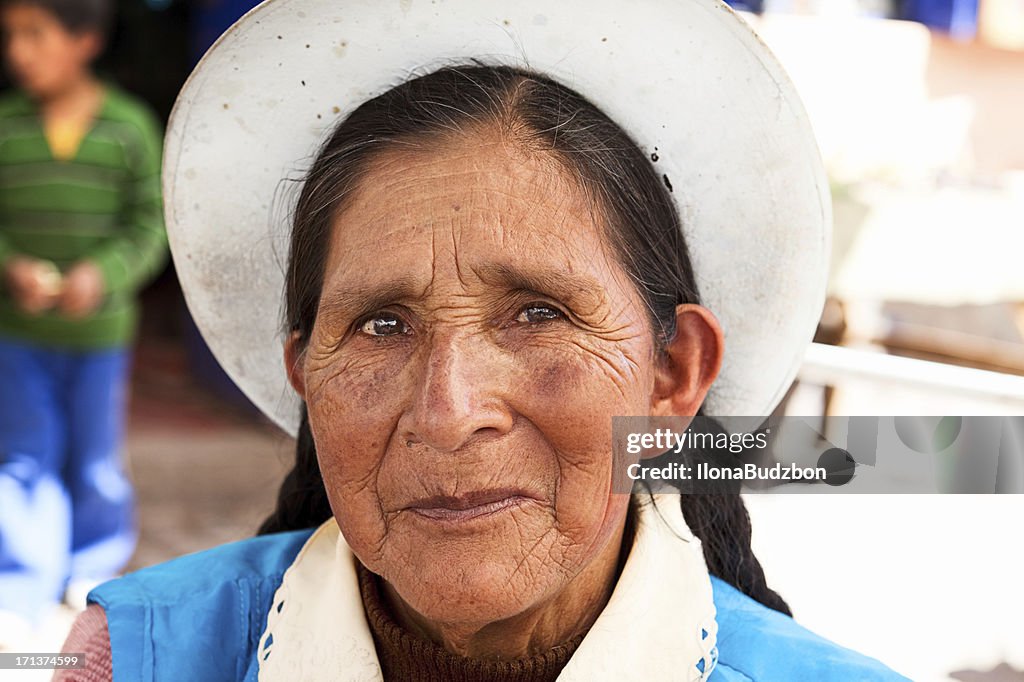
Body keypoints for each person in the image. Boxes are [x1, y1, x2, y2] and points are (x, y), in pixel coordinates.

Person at [59, 0, 908, 679]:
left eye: (539, 312)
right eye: (380, 325)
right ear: (307, 378)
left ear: (673, 372)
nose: (450, 412)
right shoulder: (129, 659)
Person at [0, 0, 166, 646]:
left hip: (99, 337)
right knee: (22, 457)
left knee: (96, 459)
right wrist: (11, 267)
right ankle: (19, 584)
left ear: (86, 40)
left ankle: (90, 575)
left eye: (34, 34)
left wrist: (105, 274)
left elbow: (150, 224)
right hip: (17, 337)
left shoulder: (128, 128)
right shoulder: (5, 127)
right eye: (10, 35)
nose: (17, 50)